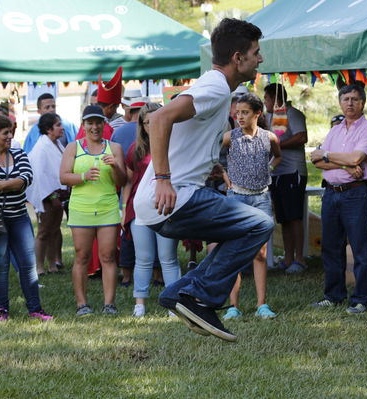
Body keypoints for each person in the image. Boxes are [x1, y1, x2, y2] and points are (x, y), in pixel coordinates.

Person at [134, 18, 270, 342]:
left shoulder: (216, 87)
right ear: (238, 58)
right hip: (173, 197)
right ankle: (200, 298)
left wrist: (203, 165)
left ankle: (180, 293)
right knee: (259, 224)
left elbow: (184, 133)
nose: (260, 59)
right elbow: (159, 118)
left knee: (239, 230)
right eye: (256, 52)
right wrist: (164, 178)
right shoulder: (215, 87)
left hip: (160, 204)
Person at [310, 84, 367, 314]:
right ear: (340, 102)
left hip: (355, 194)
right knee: (330, 247)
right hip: (331, 193)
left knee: (359, 247)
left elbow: (356, 157)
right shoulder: (335, 130)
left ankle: (359, 300)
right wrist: (345, 164)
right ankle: (333, 296)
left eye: (355, 99)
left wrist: (330, 155)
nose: (350, 103)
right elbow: (316, 161)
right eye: (346, 99)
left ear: (363, 103)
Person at [0, 115, 52, 322]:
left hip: (18, 217)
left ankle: (35, 309)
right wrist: (12, 182)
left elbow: (26, 179)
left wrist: (2, 185)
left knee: (28, 264)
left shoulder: (19, 153)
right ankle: (1, 310)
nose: (10, 136)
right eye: (5, 133)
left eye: (10, 132)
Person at [60, 105, 127, 316]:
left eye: (98, 122)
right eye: (90, 123)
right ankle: (82, 304)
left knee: (108, 256)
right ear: (83, 125)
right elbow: (63, 177)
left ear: (104, 124)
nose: (95, 127)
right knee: (82, 256)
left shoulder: (114, 148)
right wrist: (83, 176)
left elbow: (122, 180)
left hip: (107, 206)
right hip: (81, 208)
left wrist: (115, 166)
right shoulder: (73, 148)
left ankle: (109, 304)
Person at [221, 93, 282, 320]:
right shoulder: (230, 137)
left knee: (260, 253)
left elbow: (277, 157)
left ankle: (261, 305)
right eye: (237, 113)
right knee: (234, 251)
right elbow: (215, 158)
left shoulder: (269, 138)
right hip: (236, 198)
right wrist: (227, 179)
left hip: (261, 198)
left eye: (245, 112)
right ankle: (232, 306)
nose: (239, 117)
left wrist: (270, 169)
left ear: (257, 113)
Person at [122, 102, 181, 317]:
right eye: (147, 122)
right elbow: (129, 182)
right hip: (140, 211)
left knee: (168, 258)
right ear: (142, 124)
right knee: (143, 258)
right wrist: (124, 210)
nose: (151, 125)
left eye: (155, 120)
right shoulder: (136, 149)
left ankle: (173, 302)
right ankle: (140, 303)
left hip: (166, 208)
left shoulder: (174, 146)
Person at [263, 83, 308, 274]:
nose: (265, 101)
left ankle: (300, 259)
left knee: (294, 216)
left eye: (266, 98)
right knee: (284, 218)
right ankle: (288, 258)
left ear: (275, 97)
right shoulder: (268, 117)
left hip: (293, 172)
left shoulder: (293, 113)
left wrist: (277, 146)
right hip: (276, 173)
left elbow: (301, 137)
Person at [112, 95, 149, 286]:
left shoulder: (119, 131)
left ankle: (126, 275)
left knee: (127, 235)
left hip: (128, 190)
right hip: (148, 192)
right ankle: (156, 275)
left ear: (130, 112)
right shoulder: (156, 135)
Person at [26, 113, 67, 275]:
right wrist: (52, 196)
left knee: (54, 230)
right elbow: (39, 174)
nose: (61, 127)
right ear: (49, 129)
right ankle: (39, 266)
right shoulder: (41, 147)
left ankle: (52, 265)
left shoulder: (56, 144)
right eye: (58, 125)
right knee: (43, 232)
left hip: (58, 194)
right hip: (46, 196)